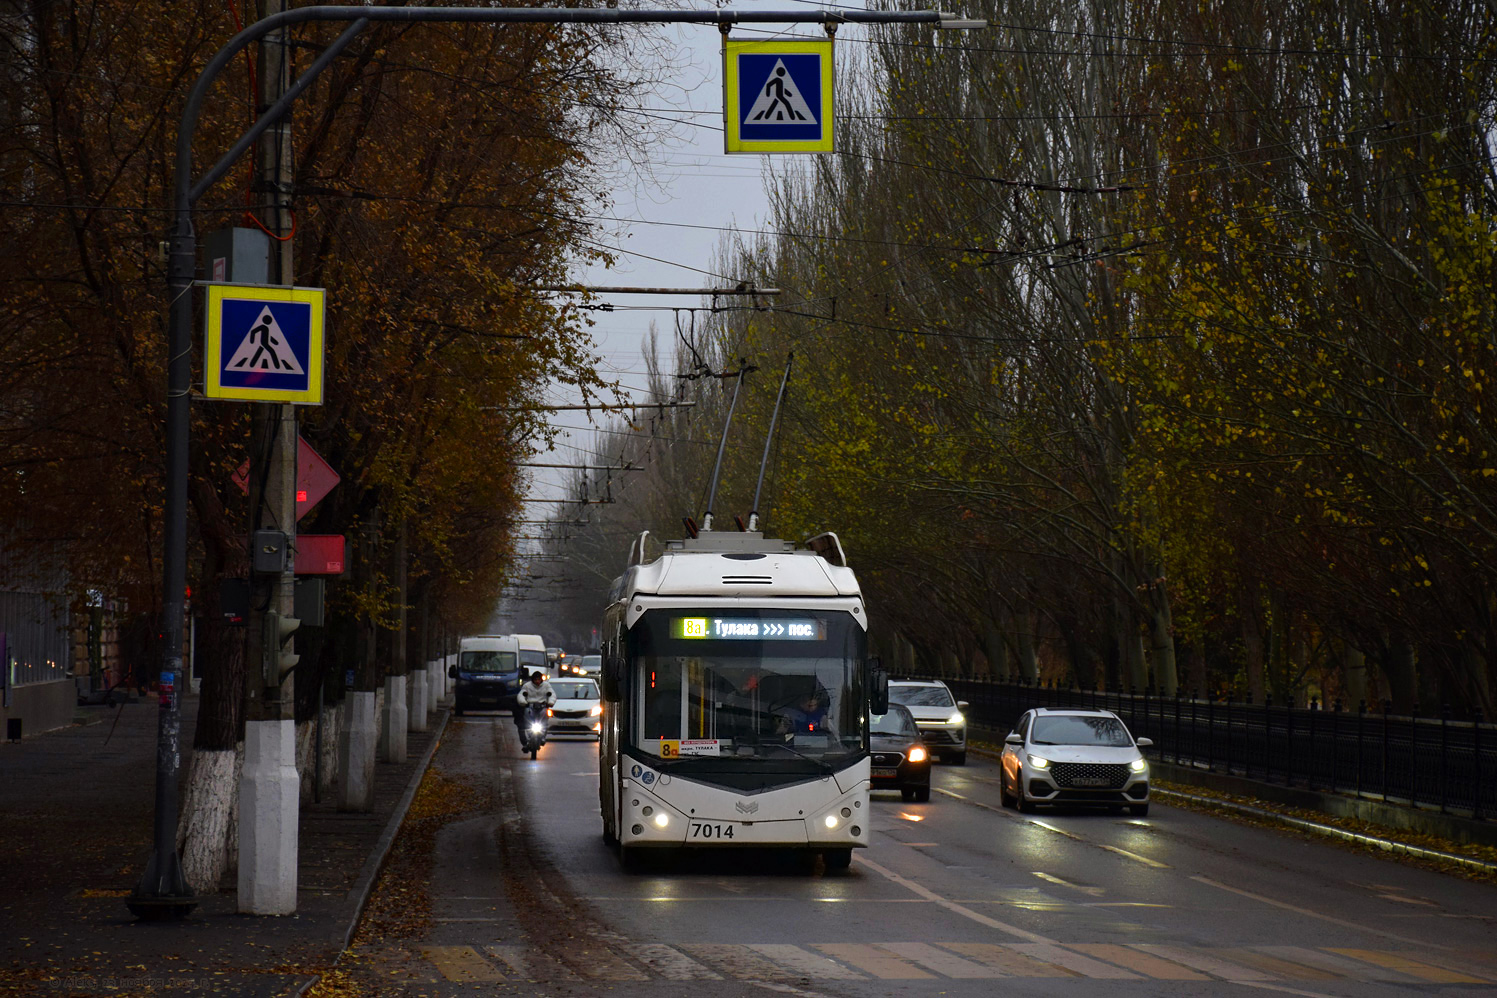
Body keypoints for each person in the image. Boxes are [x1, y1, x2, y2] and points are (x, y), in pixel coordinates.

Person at [515, 669, 556, 751]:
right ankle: (528, 736)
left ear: (541, 679)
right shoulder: (527, 686)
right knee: (527, 719)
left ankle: (543, 736)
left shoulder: (546, 686)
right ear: (532, 679)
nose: (537, 681)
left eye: (538, 679)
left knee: (544, 721)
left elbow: (552, 694)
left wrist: (550, 702)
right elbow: (521, 695)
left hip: (542, 707)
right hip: (530, 707)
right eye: (535, 679)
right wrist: (523, 702)